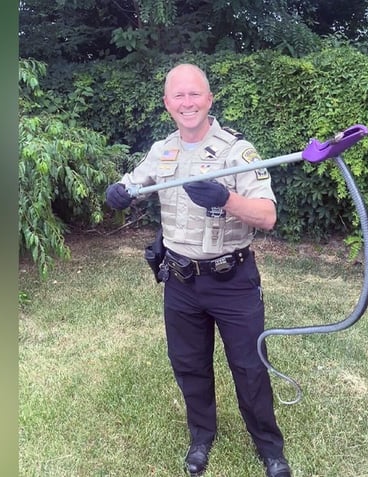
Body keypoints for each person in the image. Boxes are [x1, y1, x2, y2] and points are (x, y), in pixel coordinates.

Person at [104, 64, 292, 477]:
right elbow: (133, 186)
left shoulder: (237, 152)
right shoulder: (162, 150)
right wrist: (120, 194)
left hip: (233, 281)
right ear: (167, 103)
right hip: (181, 280)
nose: (187, 103)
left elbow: (267, 216)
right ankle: (201, 436)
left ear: (209, 99)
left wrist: (226, 198)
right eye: (178, 96)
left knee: (249, 366)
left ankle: (269, 448)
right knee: (188, 363)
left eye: (195, 95)